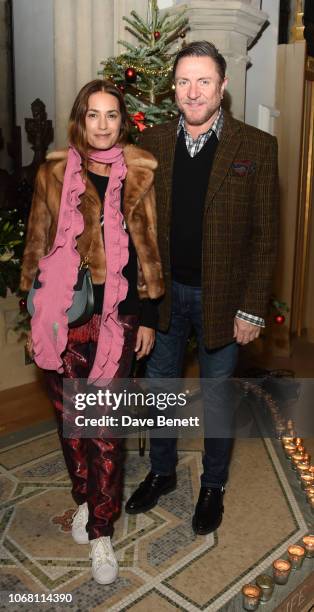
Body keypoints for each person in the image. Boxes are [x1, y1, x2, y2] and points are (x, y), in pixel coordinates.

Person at [126, 41, 279, 534]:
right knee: (162, 389)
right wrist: (142, 302)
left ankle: (214, 485)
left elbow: (265, 236)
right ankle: (163, 472)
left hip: (224, 300)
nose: (194, 92)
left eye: (204, 81)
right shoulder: (153, 144)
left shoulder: (255, 147)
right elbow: (140, 229)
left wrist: (253, 309)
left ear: (222, 87)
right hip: (164, 296)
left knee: (216, 396)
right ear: (174, 87)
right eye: (185, 81)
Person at [20, 79, 164, 584]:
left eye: (112, 115)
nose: (102, 125)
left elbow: (148, 245)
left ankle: (102, 531)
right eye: (93, 115)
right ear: (79, 120)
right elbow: (37, 240)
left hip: (116, 319)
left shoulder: (140, 173)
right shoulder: (54, 173)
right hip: (63, 317)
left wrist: (148, 315)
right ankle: (84, 499)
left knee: (103, 432)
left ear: (122, 122)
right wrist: (33, 313)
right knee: (72, 425)